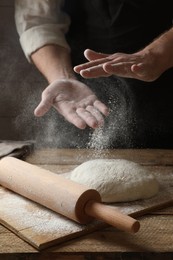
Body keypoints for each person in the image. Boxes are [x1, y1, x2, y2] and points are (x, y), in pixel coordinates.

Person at [15, 0, 173, 148]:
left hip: (166, 82)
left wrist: (157, 56)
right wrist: (63, 77)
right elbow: (38, 20)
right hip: (80, 92)